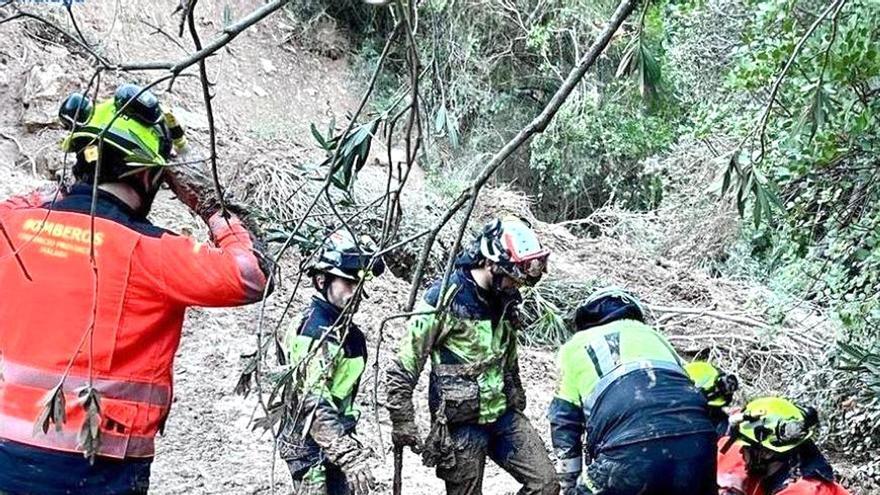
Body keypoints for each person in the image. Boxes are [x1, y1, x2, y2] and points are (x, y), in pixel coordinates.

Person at [0, 84, 272, 495]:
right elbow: (253, 274)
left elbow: (21, 204)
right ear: (149, 175)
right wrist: (207, 203)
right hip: (97, 467)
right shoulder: (152, 252)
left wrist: (71, 182)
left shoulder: (15, 229)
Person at [386, 216, 559, 495]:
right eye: (513, 278)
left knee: (546, 484)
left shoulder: (505, 299)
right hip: (460, 424)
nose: (517, 286)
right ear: (491, 263)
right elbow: (403, 368)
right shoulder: (443, 299)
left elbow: (508, 355)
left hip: (503, 415)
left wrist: (515, 393)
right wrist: (403, 421)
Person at [549, 287, 717, 495]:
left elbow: (563, 420)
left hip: (629, 446)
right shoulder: (657, 338)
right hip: (699, 439)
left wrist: (568, 484)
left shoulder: (575, 347)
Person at [276, 229, 385, 495]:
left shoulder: (346, 330)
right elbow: (313, 401)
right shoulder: (315, 331)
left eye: (360, 283)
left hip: (333, 438)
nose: (356, 291)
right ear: (322, 280)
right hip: (311, 447)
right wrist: (348, 456)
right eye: (348, 282)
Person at [717, 397, 851, 495]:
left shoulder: (804, 490)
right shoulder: (778, 469)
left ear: (767, 452)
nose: (741, 452)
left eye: (746, 448)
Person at [685, 360, 740, 437]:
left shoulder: (724, 400)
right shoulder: (707, 371)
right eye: (720, 386)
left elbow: (713, 410)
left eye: (721, 391)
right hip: (682, 389)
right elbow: (686, 371)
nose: (717, 390)